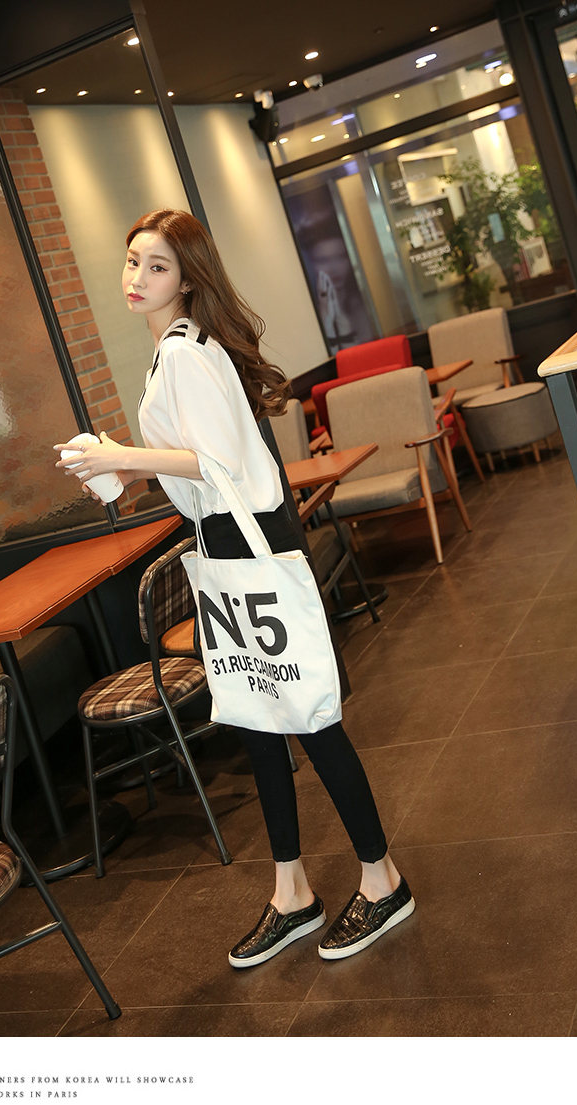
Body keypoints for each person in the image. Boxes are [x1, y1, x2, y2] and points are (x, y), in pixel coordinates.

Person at [54, 208, 414, 968]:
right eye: (132, 261)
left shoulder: (186, 353)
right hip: (231, 544)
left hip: (247, 543)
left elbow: (215, 463)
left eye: (157, 266)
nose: (137, 277)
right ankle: (292, 893)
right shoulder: (174, 352)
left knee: (309, 718)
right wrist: (121, 463)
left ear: (188, 279)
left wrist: (123, 456)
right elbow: (201, 466)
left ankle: (383, 881)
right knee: (258, 718)